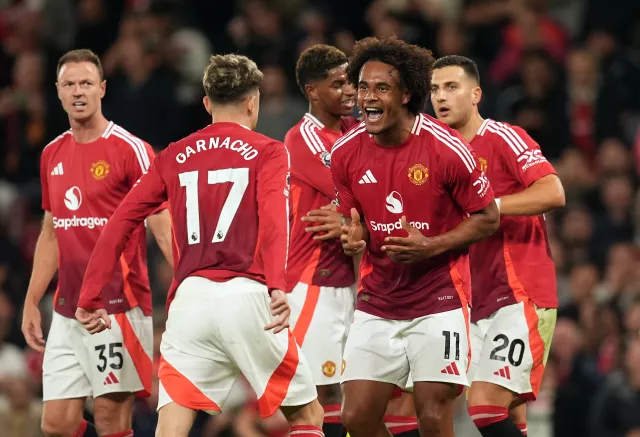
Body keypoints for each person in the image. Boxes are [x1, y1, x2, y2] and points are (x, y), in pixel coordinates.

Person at [75, 53, 325, 437]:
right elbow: (276, 220)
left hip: (189, 303)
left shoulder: (172, 155)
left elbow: (121, 221)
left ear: (207, 103)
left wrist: (89, 296)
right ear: (252, 101)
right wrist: (277, 282)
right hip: (248, 295)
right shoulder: (270, 151)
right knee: (307, 418)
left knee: (172, 425)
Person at [331, 36, 500, 437]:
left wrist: (432, 245)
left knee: (431, 417)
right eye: (363, 87)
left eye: (381, 88)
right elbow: (349, 218)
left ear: (408, 93)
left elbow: (488, 217)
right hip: (378, 301)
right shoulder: (344, 153)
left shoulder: (447, 149)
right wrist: (350, 236)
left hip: (439, 300)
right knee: (355, 418)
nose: (367, 98)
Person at [21, 49, 173, 437]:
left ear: (102, 88)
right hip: (67, 310)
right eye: (69, 84)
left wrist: (186, 279)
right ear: (57, 91)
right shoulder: (51, 153)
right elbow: (52, 231)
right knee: (56, 424)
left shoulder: (131, 149)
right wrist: (31, 300)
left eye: (86, 83)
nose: (78, 92)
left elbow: (159, 219)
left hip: (118, 306)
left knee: (110, 419)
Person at [430, 55, 565, 437]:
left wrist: (491, 208)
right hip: (472, 303)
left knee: (486, 405)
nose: (441, 97)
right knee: (508, 417)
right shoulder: (438, 158)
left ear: (476, 94)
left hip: (520, 292)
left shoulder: (503, 137)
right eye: (435, 90)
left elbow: (553, 191)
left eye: (451, 87)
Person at [284, 44, 358, 437]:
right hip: (313, 278)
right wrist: (354, 208)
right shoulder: (303, 139)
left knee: (357, 389)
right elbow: (353, 189)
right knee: (317, 391)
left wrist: (349, 212)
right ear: (312, 91)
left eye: (350, 82)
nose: (350, 91)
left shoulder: (355, 129)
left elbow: (367, 191)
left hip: (350, 277)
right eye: (338, 84)